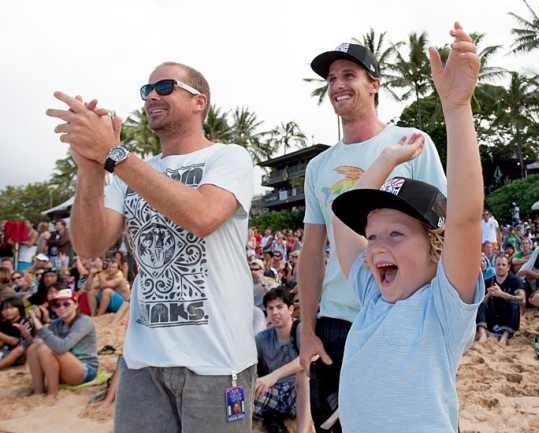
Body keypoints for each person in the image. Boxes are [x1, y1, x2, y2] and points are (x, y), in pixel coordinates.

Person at [48, 61, 256, 431]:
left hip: (217, 362)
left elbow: (203, 216)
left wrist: (113, 154)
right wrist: (91, 170)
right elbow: (90, 244)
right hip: (142, 362)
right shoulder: (130, 172)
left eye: (164, 87)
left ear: (199, 101)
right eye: (147, 91)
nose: (152, 97)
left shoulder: (228, 157)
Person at [328, 23, 482, 431]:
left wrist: (456, 106)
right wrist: (386, 160)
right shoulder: (371, 297)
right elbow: (342, 225)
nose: (377, 245)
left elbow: (465, 216)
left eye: (396, 234)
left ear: (436, 248)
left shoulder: (443, 308)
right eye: (373, 235)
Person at [300, 39, 447, 432]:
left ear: (375, 84)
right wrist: (308, 328)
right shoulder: (319, 166)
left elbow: (442, 231)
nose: (337, 85)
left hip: (400, 313)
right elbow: (312, 252)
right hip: (336, 318)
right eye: (331, 78)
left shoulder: (411, 143)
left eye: (349, 75)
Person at [20, 289, 98, 398]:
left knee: (46, 348)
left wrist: (41, 328)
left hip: (85, 369)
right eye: (57, 305)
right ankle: (38, 390)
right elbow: (31, 350)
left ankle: (52, 393)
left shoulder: (84, 321)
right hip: (66, 367)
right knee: (35, 347)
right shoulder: (56, 324)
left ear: (75, 305)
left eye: (66, 304)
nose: (61, 308)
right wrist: (26, 337)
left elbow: (62, 347)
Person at [254, 288, 311, 433]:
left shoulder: (300, 329)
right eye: (270, 308)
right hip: (274, 392)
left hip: (298, 392)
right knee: (242, 394)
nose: (275, 313)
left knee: (303, 374)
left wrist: (274, 375)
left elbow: (309, 357)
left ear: (290, 309)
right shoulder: (262, 338)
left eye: (280, 307)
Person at [477, 255, 524, 346]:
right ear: (494, 265)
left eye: (503, 265)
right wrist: (488, 296)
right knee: (478, 304)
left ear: (508, 267)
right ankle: (483, 334)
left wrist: (502, 294)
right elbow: (481, 305)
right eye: (498, 264)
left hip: (508, 317)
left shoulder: (514, 280)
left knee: (513, 304)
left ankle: (505, 336)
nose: (500, 267)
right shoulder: (488, 282)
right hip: (492, 317)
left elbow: (522, 300)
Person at [0, 296, 29, 370]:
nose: (8, 311)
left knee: (18, 350)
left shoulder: (23, 321)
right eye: (4, 309)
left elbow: (14, 341)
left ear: (19, 308)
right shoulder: (5, 323)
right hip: (6, 351)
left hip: (22, 353)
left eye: (11, 308)